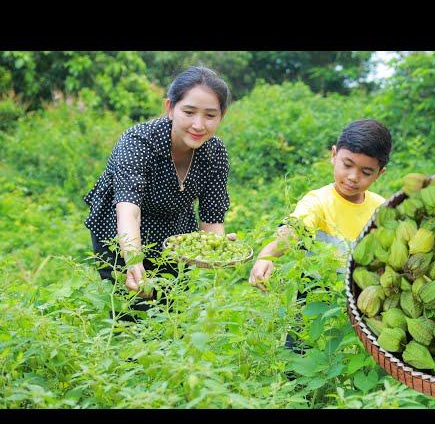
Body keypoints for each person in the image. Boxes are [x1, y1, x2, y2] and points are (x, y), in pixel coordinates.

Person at [84, 66, 234, 298]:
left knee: (171, 307)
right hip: (122, 231)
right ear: (170, 108)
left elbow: (212, 219)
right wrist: (133, 261)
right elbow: (128, 210)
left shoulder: (214, 152)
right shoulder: (138, 141)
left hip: (174, 232)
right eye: (189, 112)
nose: (198, 125)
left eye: (210, 115)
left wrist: (218, 249)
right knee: (130, 311)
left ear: (221, 116)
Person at [249, 118, 392, 287]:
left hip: (363, 302)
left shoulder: (382, 209)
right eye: (347, 165)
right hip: (316, 301)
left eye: (366, 172)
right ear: (334, 155)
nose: (353, 177)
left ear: (380, 174)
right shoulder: (318, 201)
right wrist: (266, 255)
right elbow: (294, 229)